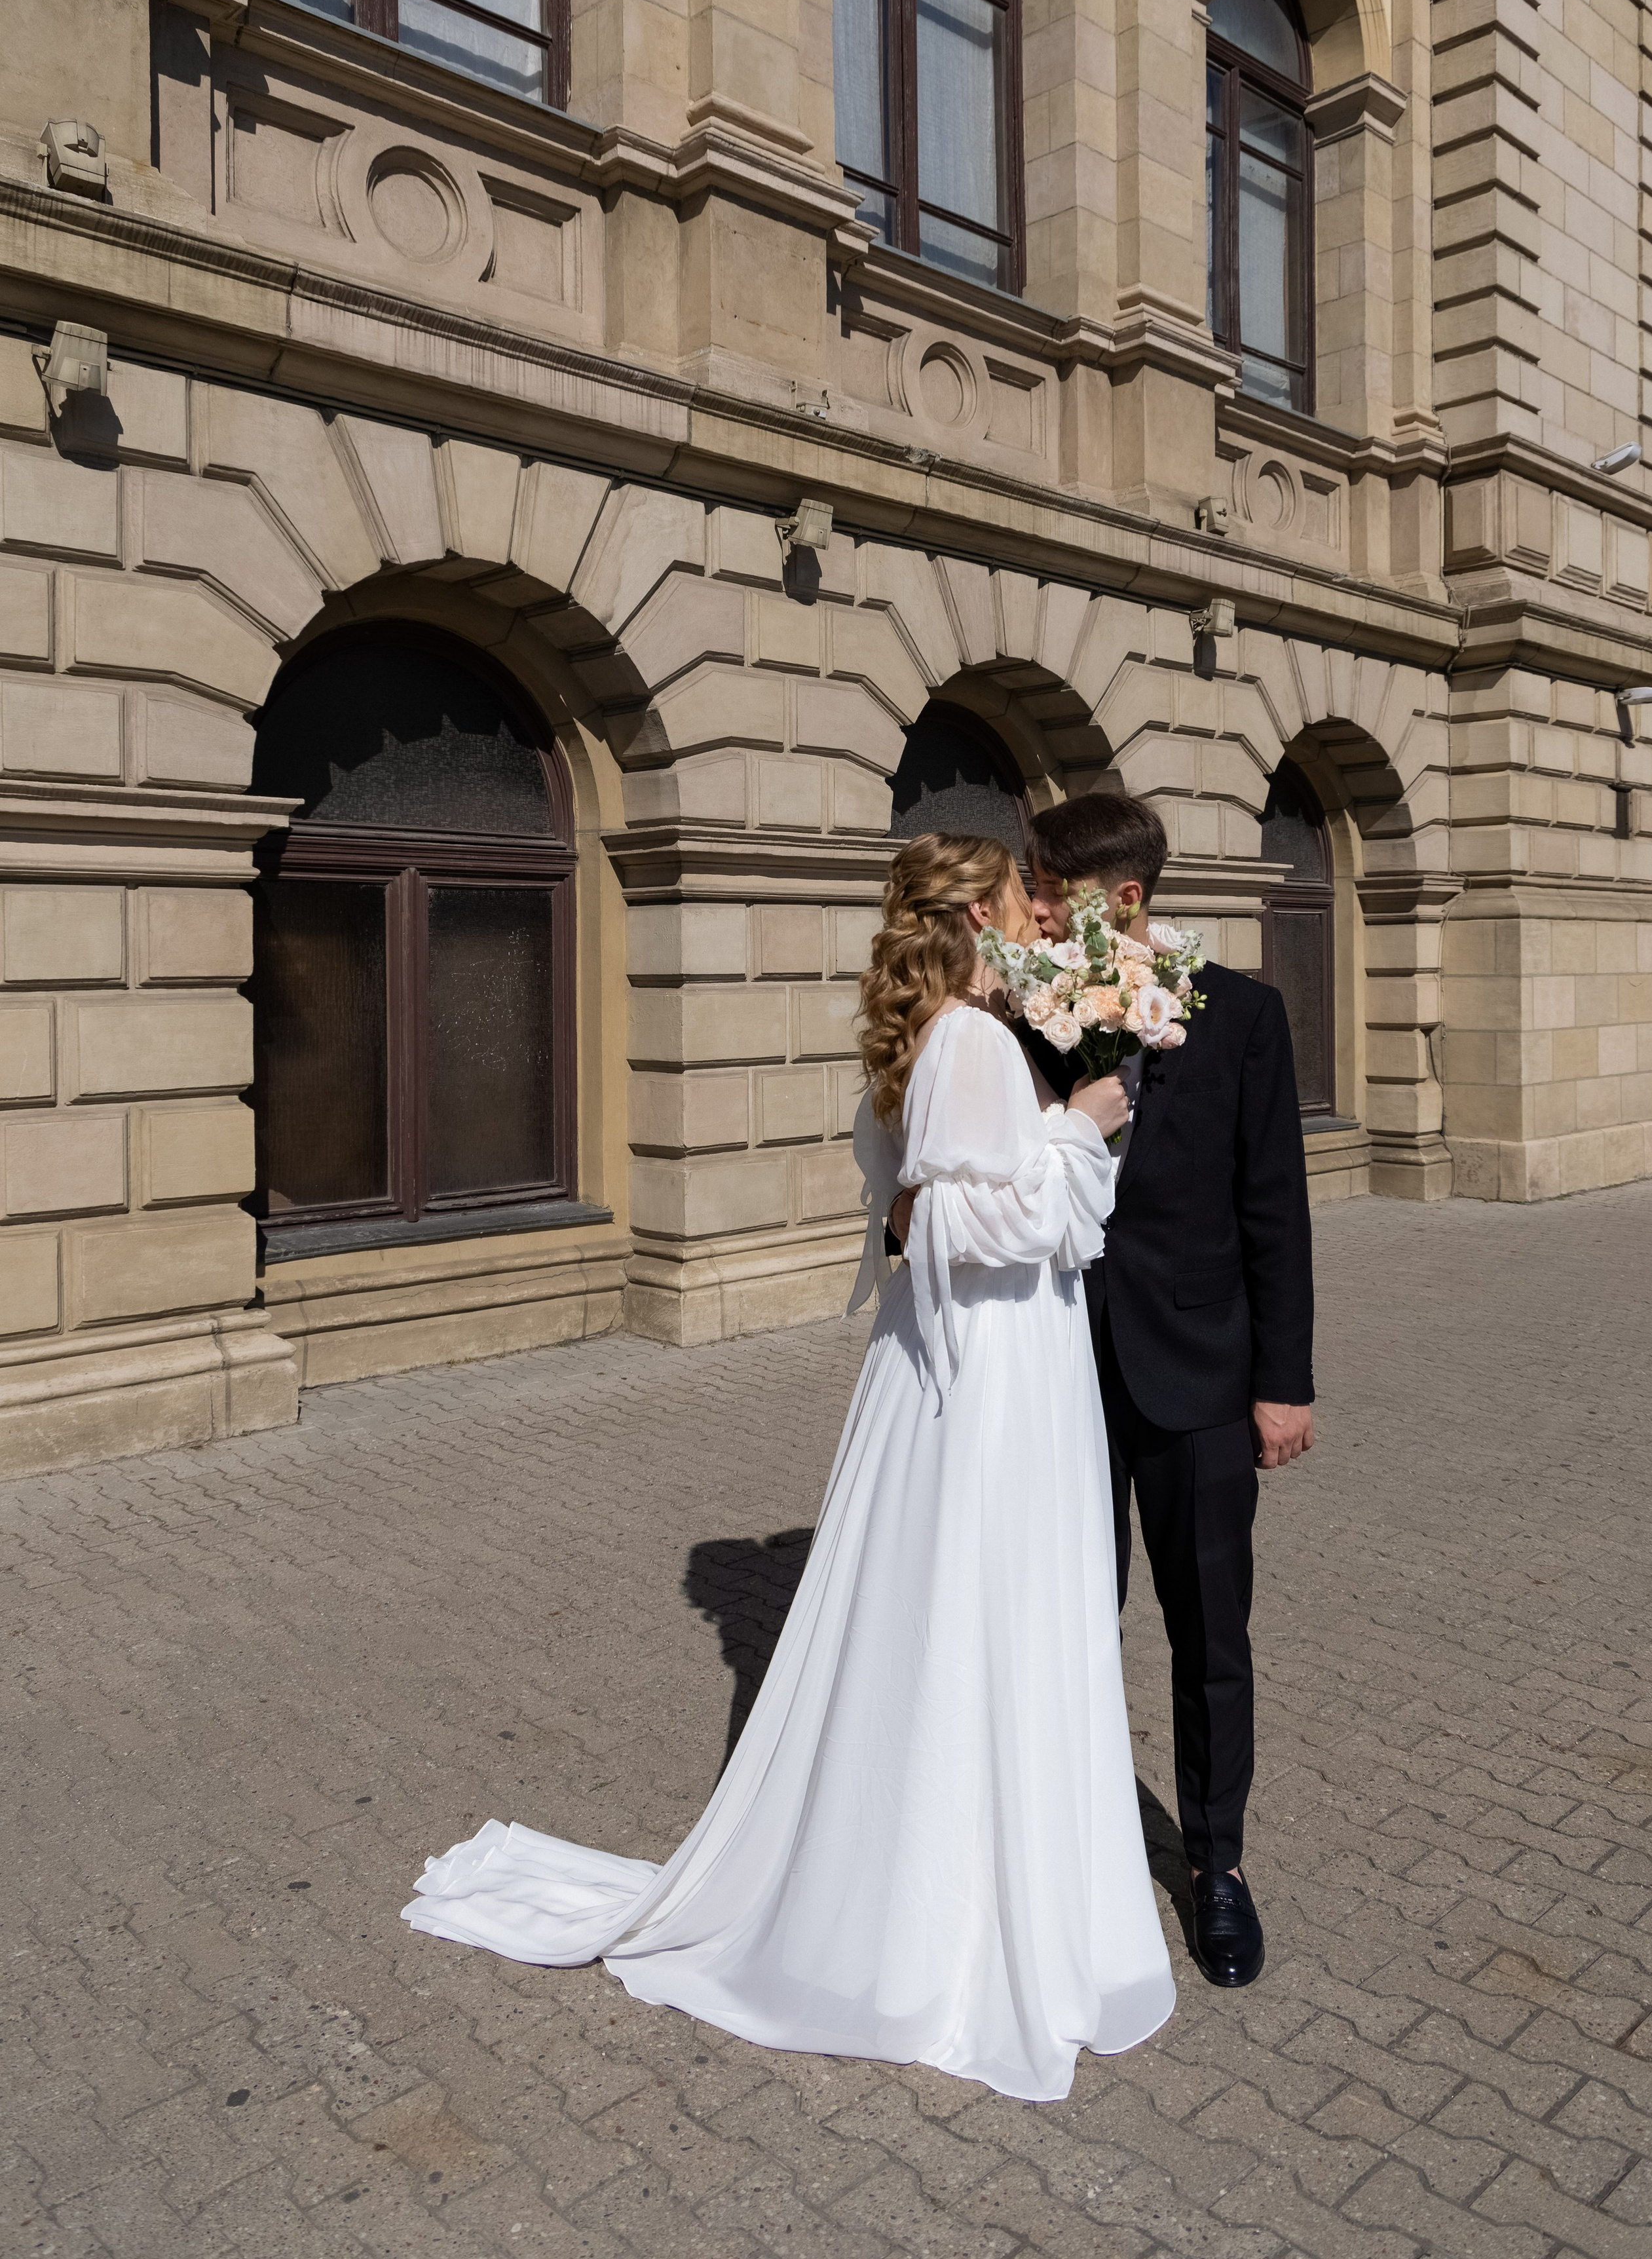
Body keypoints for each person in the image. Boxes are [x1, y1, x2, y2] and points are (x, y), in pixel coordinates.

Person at [402, 832, 1176, 2102]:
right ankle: (961, 1914)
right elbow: (981, 1223)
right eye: (1015, 904)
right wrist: (1084, 1128)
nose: (1036, 923)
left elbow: (911, 1203)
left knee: (943, 1609)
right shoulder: (976, 1043)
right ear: (977, 919)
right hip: (991, 1368)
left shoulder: (922, 1037)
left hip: (942, 1366)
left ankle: (928, 1865)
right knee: (987, 1604)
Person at [1019, 790, 1315, 1990]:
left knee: (1209, 1635)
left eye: (1050, 892)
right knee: (1066, 1619)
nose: (1037, 911)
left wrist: (1283, 1384)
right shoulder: (1031, 1013)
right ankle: (1070, 1851)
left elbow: (1274, 1208)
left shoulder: (1243, 1015)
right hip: (1058, 1373)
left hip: (1200, 1376)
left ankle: (1217, 1864)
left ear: (1124, 898)